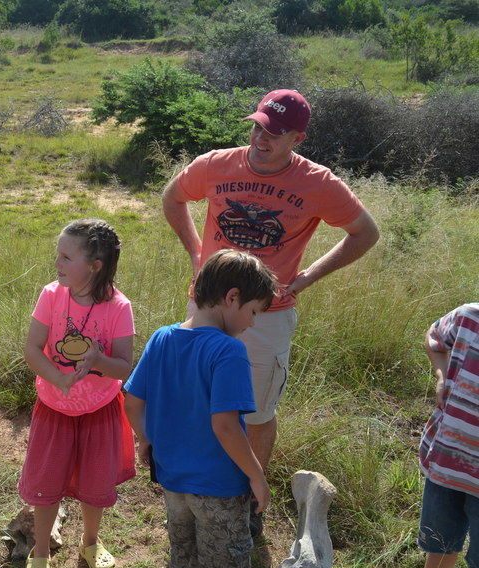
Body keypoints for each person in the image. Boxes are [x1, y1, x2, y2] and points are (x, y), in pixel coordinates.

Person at [160, 89, 380, 535]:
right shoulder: (217, 164)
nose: (262, 138)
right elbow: (173, 197)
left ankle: (247, 498)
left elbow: (364, 233)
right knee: (198, 398)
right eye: (258, 125)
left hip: (268, 314)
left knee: (256, 410)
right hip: (207, 305)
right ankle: (194, 486)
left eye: (275, 133)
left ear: (297, 138)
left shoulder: (318, 183)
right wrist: (198, 256)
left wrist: (305, 279)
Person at [123, 249, 278, 568]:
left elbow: (133, 401)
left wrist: (147, 440)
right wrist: (257, 476)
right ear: (231, 298)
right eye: (254, 311)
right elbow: (226, 426)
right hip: (221, 488)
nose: (252, 322)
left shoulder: (162, 337)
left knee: (183, 562)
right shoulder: (227, 350)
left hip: (174, 481)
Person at [18, 218, 136, 568]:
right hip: (54, 408)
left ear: (95, 265)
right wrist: (59, 379)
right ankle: (40, 552)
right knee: (47, 481)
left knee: (93, 481)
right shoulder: (52, 295)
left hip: (100, 411)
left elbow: (124, 365)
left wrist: (98, 361)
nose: (58, 264)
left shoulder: (119, 306)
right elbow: (33, 349)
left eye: (67, 257)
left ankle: (90, 542)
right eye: (58, 255)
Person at [369, 303, 479, 568]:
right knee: (439, 536)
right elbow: (434, 337)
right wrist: (442, 374)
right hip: (448, 457)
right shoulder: (469, 317)